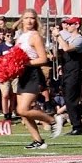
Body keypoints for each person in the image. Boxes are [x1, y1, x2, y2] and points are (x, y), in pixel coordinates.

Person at [13, 8, 58, 149]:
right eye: (26, 18)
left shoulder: (35, 36)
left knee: (23, 109)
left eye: (32, 18)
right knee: (24, 114)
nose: (29, 20)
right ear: (22, 20)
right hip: (22, 74)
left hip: (33, 73)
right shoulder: (20, 36)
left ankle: (52, 120)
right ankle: (38, 141)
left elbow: (43, 59)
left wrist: (25, 63)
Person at [56, 17, 82, 136]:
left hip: (74, 72)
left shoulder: (79, 39)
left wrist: (58, 36)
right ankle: (76, 125)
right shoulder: (68, 37)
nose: (67, 26)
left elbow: (67, 48)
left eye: (70, 24)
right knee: (68, 99)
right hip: (66, 71)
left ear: (77, 25)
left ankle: (77, 126)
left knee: (71, 100)